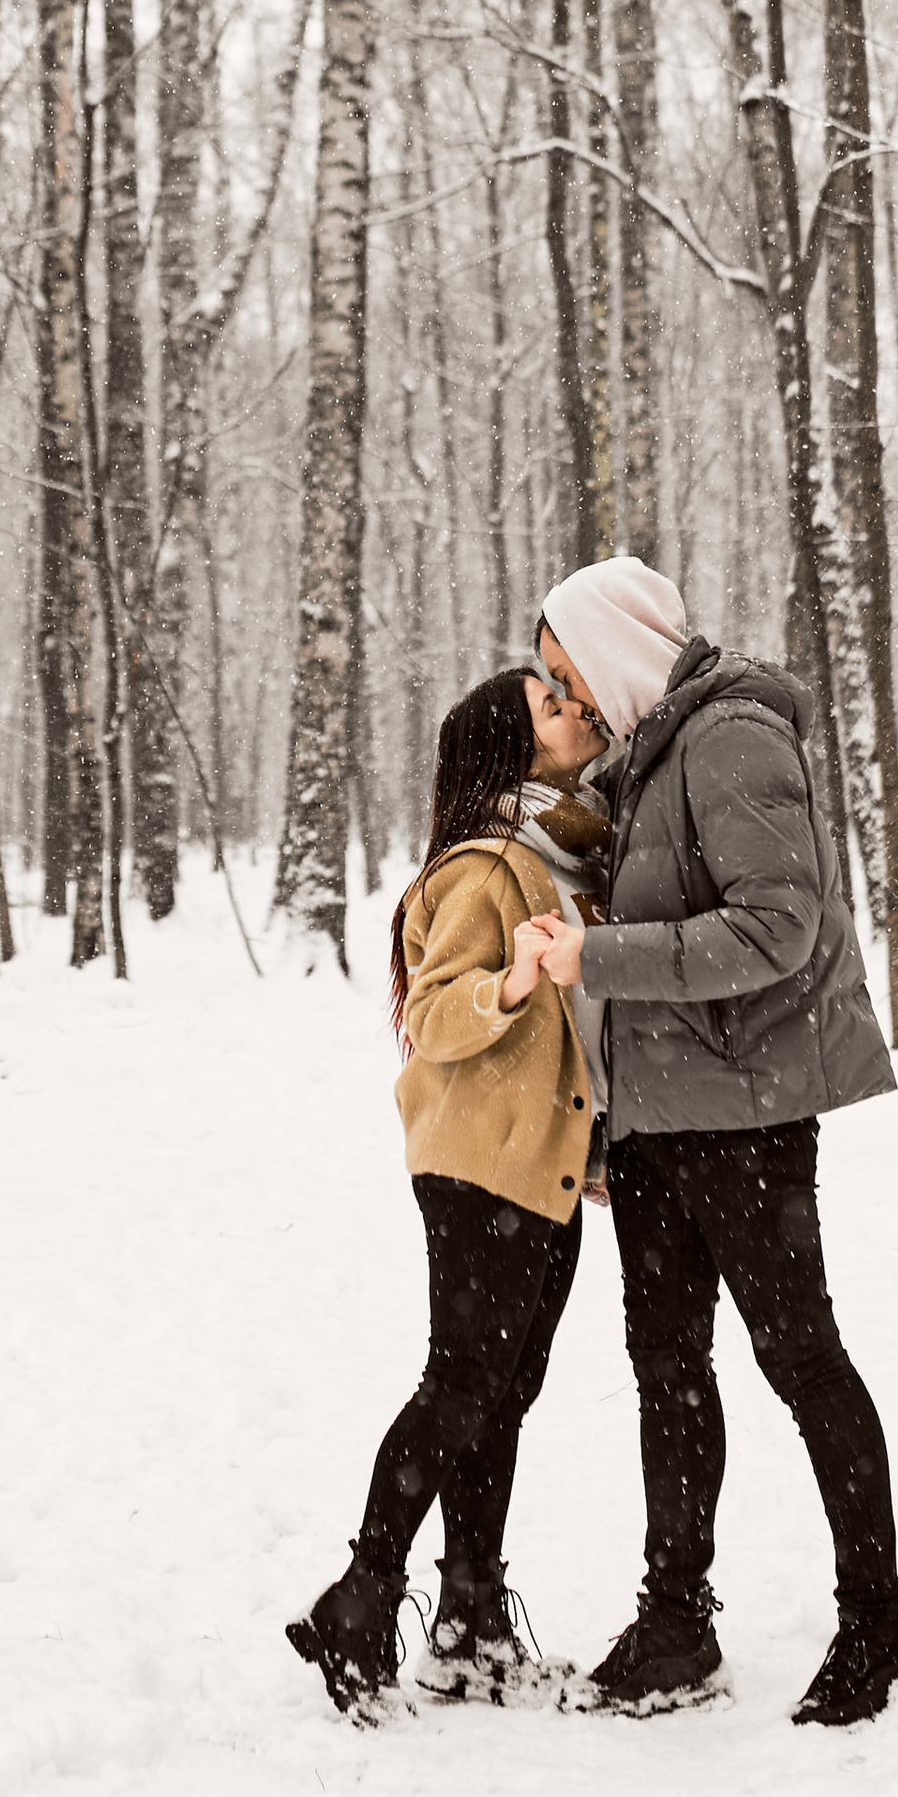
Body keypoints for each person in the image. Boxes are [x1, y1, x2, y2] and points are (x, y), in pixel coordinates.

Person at [525, 555, 898, 1728]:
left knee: (799, 1359)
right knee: (667, 1373)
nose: (564, 696)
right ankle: (676, 1622)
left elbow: (776, 927)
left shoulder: (731, 734)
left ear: (612, 651)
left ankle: (875, 1615)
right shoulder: (643, 759)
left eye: (566, 671)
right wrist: (614, 1121)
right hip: (659, 1129)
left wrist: (591, 958)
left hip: (745, 1125)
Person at [287, 666, 610, 1718]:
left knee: (498, 1394)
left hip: (539, 1163)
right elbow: (431, 1018)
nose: (574, 709)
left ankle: (468, 1618)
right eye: (549, 706)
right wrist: (510, 983)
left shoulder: (561, 852)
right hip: (478, 1167)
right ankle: (363, 1593)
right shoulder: (487, 868)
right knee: (462, 1385)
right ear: (509, 754)